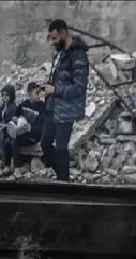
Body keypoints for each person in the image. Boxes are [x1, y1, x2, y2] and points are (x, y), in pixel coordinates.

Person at [41, 19, 89, 182]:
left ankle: (63, 181)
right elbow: (59, 79)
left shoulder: (78, 55)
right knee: (45, 143)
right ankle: (62, 174)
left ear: (63, 33)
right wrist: (46, 88)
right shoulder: (61, 53)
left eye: (55, 38)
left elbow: (79, 88)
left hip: (67, 110)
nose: (53, 42)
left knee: (61, 148)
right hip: (53, 107)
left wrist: (56, 90)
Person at [8, 82, 47, 169]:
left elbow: (44, 125)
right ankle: (11, 165)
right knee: (9, 140)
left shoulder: (43, 107)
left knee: (15, 141)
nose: (39, 95)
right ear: (29, 94)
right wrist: (15, 119)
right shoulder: (23, 105)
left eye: (40, 93)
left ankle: (17, 168)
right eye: (37, 93)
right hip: (23, 133)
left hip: (36, 136)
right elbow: (14, 116)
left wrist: (31, 128)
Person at [0, 85, 17, 165]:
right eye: (3, 95)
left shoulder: (13, 107)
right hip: (2, 130)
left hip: (9, 133)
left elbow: (13, 122)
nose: (4, 97)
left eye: (6, 95)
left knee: (6, 142)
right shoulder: (3, 106)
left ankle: (5, 163)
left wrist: (5, 125)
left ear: (11, 95)